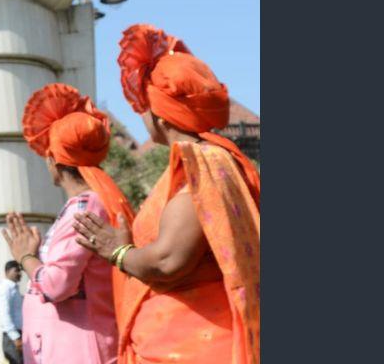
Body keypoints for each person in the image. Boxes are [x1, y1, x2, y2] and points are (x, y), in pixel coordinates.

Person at [73, 25, 261, 364]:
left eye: (143, 104)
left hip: (194, 349)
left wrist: (116, 251)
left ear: (159, 115)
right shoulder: (208, 160)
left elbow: (168, 260)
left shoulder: (202, 163)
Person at [1, 85, 134, 364]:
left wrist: (26, 257)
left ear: (53, 161)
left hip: (78, 352)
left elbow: (56, 285)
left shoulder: (84, 208)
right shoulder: (87, 205)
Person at [0, 261, 25, 364]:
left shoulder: (14, 289)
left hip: (19, 333)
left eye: (20, 271)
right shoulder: (4, 289)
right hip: (12, 336)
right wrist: (15, 337)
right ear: (7, 272)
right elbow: (3, 314)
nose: (19, 273)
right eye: (16, 270)